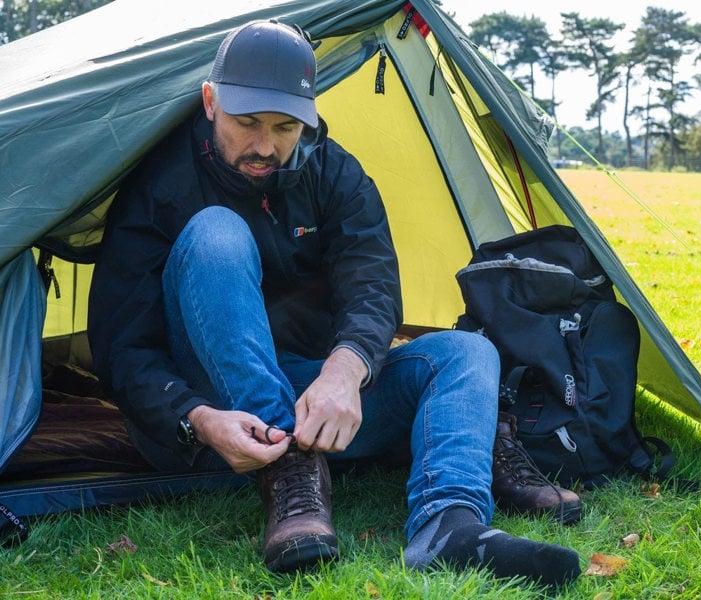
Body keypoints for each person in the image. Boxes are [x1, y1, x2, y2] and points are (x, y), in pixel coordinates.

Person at [87, 18, 581, 586]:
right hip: (209, 422)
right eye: (246, 124)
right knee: (216, 233)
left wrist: (346, 370)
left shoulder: (335, 173)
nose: (264, 147)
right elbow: (122, 347)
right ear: (209, 101)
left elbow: (373, 285)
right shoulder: (159, 183)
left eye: (285, 127)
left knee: (467, 352)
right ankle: (292, 483)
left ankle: (449, 524)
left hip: (314, 409)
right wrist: (196, 419)